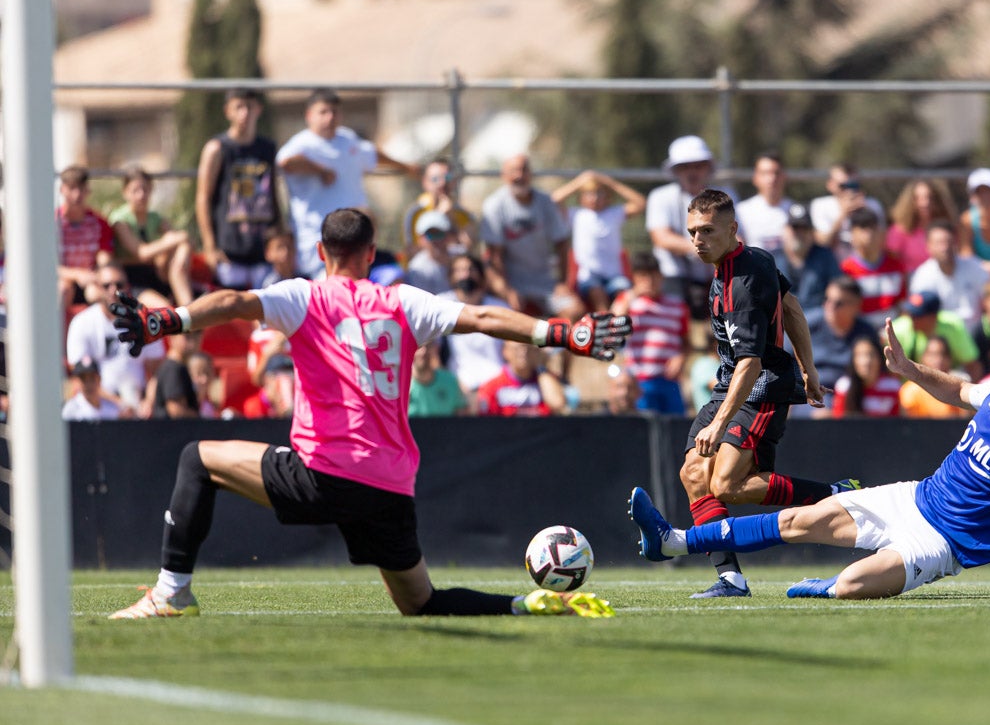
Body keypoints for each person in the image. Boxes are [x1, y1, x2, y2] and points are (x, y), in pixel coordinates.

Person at [108, 208, 626, 620]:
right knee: (420, 603)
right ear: (371, 253)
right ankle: (522, 603)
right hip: (389, 485)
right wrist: (562, 334)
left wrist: (167, 320)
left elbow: (234, 301)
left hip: (322, 474)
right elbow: (485, 316)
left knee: (197, 459)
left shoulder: (304, 296)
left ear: (320, 252)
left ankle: (171, 594)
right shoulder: (403, 301)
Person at [631, 321, 990, 600]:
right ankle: (670, 541)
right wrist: (909, 369)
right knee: (796, 521)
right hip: (913, 499)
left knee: (851, 586)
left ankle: (827, 585)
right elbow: (957, 389)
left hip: (943, 546)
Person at [641, 189, 849, 600]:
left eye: (707, 231)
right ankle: (730, 578)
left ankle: (836, 495)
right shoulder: (753, 258)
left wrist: (719, 424)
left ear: (732, 229)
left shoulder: (743, 283)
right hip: (729, 383)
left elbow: (751, 363)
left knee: (727, 484)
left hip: (761, 386)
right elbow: (791, 307)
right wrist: (809, 370)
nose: (697, 240)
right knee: (693, 475)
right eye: (692, 232)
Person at [277, 88, 418, 280]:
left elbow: (372, 154)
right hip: (321, 244)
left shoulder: (347, 139)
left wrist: (406, 167)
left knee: (393, 281)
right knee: (335, 297)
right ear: (309, 115)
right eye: (323, 112)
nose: (330, 117)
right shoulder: (303, 144)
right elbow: (286, 162)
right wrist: (320, 169)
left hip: (357, 239)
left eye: (334, 112)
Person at [196, 88, 282, 290]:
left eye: (249, 107)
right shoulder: (217, 148)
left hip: (263, 247)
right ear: (228, 111)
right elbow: (203, 198)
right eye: (239, 107)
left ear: (258, 110)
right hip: (229, 248)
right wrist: (209, 245)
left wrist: (280, 231)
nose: (245, 113)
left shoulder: (267, 148)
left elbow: (274, 193)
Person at [480, 153, 582, 318]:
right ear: (503, 176)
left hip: (546, 282)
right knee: (511, 322)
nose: (519, 175)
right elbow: (494, 256)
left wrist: (563, 283)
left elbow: (562, 244)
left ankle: (558, 344)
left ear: (530, 173)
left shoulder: (546, 202)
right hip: (512, 282)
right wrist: (507, 291)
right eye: (513, 171)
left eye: (523, 170)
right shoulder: (494, 206)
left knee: (575, 312)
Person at [644, 135, 736, 317]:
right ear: (675, 171)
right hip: (673, 275)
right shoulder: (660, 196)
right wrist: (706, 247)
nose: (692, 172)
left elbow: (737, 235)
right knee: (673, 313)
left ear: (708, 168)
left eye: (698, 166)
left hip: (716, 272)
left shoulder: (725, 195)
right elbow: (661, 238)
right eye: (685, 167)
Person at [65, 263, 165, 414]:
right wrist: (119, 404)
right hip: (96, 407)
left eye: (119, 285)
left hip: (137, 406)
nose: (113, 290)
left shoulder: (142, 321)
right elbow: (80, 376)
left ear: (128, 287)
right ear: (97, 288)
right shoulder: (82, 322)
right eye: (106, 285)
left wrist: (148, 402)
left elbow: (156, 369)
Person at [551, 169, 645, 312]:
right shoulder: (577, 215)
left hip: (615, 275)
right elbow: (553, 200)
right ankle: (604, 323)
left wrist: (610, 182)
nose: (594, 198)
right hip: (588, 275)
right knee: (597, 294)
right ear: (581, 197)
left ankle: (617, 326)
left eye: (600, 193)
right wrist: (579, 181)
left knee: (623, 296)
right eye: (589, 194)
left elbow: (640, 203)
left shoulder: (615, 213)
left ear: (608, 196)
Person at [610, 253, 689, 415]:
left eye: (653, 276)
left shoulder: (677, 306)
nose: (650, 281)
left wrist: (681, 357)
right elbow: (613, 324)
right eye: (643, 276)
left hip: (669, 380)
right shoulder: (631, 303)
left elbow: (686, 341)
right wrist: (633, 294)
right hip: (640, 380)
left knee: (675, 424)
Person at [108, 166, 194, 306]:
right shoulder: (120, 220)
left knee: (183, 246)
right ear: (125, 192)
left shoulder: (155, 218)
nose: (141, 195)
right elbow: (142, 253)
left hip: (156, 275)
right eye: (135, 190)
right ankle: (188, 310)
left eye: (145, 189)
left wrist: (176, 262)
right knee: (165, 310)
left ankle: (188, 305)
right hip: (131, 279)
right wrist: (172, 240)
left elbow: (184, 240)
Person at [438, 254, 509, 401]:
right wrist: (452, 386)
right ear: (451, 276)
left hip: (499, 389)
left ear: (481, 276)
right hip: (457, 389)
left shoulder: (500, 308)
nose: (466, 275)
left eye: (471, 270)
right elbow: (432, 352)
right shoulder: (440, 305)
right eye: (459, 270)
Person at [907, 219, 990, 329]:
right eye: (939, 243)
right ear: (928, 246)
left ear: (956, 242)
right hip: (942, 337)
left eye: (948, 241)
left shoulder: (975, 267)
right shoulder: (922, 277)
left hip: (978, 333)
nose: (944, 248)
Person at [887, 291, 983, 381]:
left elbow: (972, 365)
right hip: (911, 389)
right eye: (911, 314)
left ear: (933, 317)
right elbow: (894, 373)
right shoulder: (897, 330)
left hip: (949, 385)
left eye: (917, 316)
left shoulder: (952, 326)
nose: (912, 319)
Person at [805, 276, 878, 393]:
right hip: (812, 394)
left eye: (838, 303)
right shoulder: (807, 326)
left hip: (852, 395)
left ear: (856, 306)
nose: (830, 306)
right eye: (826, 299)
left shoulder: (867, 332)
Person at [56, 165, 115, 307]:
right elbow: (48, 265)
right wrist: (76, 274)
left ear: (88, 190)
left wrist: (100, 275)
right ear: (62, 189)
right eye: (72, 188)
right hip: (63, 281)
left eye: (81, 189)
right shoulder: (52, 223)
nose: (77, 195)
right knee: (63, 289)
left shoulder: (99, 223)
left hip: (92, 280)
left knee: (99, 294)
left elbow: (104, 257)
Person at [839, 207, 906, 329]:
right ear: (852, 234)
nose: (869, 234)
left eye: (873, 227)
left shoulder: (896, 266)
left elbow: (902, 305)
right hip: (861, 334)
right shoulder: (845, 270)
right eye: (863, 228)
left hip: (894, 331)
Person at [808, 163, 887, 260]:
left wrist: (866, 214)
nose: (849, 190)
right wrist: (843, 214)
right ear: (830, 185)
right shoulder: (820, 205)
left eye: (854, 185)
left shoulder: (872, 205)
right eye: (843, 185)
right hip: (833, 263)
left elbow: (882, 241)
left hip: (864, 263)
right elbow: (823, 242)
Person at [401, 158, 475, 259]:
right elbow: (411, 252)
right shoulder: (415, 213)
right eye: (435, 179)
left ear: (454, 182)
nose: (442, 183)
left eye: (448, 177)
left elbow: (467, 251)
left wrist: (451, 218)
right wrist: (438, 218)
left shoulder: (464, 215)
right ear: (425, 182)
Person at [778, 202, 842, 315]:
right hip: (782, 323)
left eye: (804, 228)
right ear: (785, 230)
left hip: (818, 322)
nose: (799, 233)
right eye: (795, 228)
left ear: (812, 232)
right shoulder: (772, 260)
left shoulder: (825, 257)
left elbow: (837, 288)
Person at [734, 151, 794, 267]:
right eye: (765, 173)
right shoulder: (741, 211)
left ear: (784, 176)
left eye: (776, 173)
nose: (772, 179)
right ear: (755, 178)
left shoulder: (794, 210)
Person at [885, 178, 957, 274]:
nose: (925, 203)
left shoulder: (947, 229)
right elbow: (891, 261)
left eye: (930, 197)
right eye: (918, 198)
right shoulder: (899, 230)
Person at [477, 340, 566, 417]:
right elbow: (487, 421)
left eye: (527, 348)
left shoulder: (545, 380)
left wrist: (540, 367)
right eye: (517, 349)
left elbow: (557, 404)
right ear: (505, 351)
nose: (523, 353)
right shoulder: (492, 386)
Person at [898, 336, 970, 419]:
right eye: (933, 354)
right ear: (923, 358)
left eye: (943, 354)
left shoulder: (958, 388)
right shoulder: (909, 390)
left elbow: (964, 420)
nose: (939, 360)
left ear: (950, 359)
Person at [831, 336, 900, 418]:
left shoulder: (892, 386)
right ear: (853, 360)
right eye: (860, 355)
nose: (866, 361)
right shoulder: (844, 386)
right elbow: (839, 421)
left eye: (871, 355)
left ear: (880, 359)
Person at [408, 341, 467, 417]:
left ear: (436, 349)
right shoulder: (401, 386)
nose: (423, 352)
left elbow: (462, 414)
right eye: (418, 347)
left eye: (428, 346)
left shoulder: (449, 381)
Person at [150, 332, 201, 419]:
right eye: (187, 335)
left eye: (197, 333)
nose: (193, 340)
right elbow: (176, 411)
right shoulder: (173, 368)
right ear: (172, 338)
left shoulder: (177, 366)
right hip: (170, 431)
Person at [405, 211, 455, 296]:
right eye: (431, 235)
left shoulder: (462, 257)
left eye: (439, 234)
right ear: (420, 239)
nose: (436, 240)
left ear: (448, 236)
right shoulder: (417, 269)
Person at [62, 356, 123, 421]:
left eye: (92, 378)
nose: (88, 384)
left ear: (99, 379)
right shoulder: (71, 410)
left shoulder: (112, 409)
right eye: (83, 379)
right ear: (77, 382)